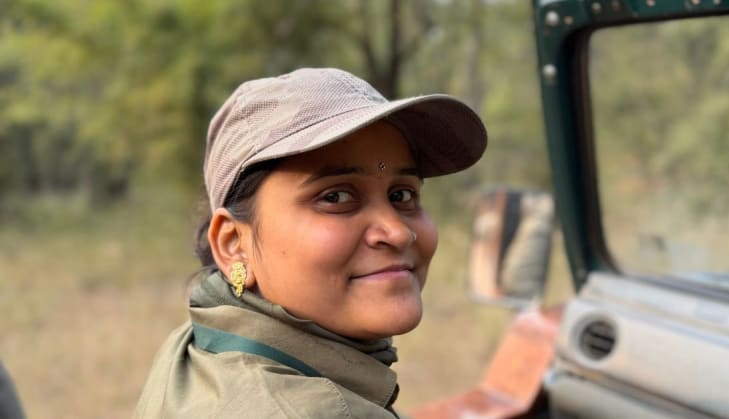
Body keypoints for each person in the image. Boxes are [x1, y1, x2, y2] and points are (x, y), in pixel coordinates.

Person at [134, 68, 487, 418]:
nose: (397, 232)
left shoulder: (200, 344)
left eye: (402, 194)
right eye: (335, 197)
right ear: (233, 245)